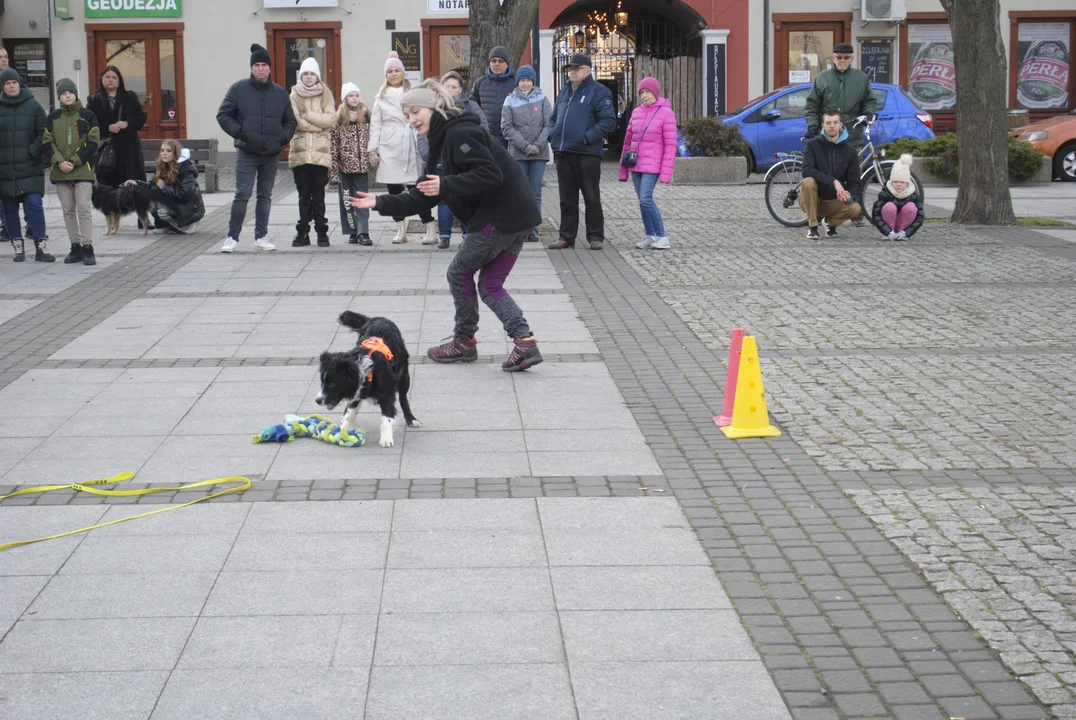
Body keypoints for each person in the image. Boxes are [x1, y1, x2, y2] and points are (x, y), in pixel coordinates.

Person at [349, 80, 543, 372]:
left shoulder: (460, 132)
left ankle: (464, 341)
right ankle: (525, 343)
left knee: (458, 272)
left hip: (500, 216)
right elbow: (422, 196)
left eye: (416, 111)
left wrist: (447, 183)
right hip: (517, 217)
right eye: (407, 114)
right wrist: (379, 203)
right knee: (490, 285)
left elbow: (490, 173)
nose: (412, 119)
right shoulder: (440, 145)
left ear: (433, 107)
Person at [216, 43, 297, 253]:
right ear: (252, 68)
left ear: (270, 68)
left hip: (270, 153)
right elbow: (223, 115)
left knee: (265, 195)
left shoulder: (280, 93)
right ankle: (232, 237)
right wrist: (240, 131)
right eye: (257, 65)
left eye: (264, 65)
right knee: (242, 194)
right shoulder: (238, 89)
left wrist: (283, 138)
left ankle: (261, 236)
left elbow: (290, 121)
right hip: (247, 151)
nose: (261, 69)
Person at [546, 54, 616, 251]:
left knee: (591, 196)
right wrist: (552, 134)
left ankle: (595, 236)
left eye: (576, 68)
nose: (572, 72)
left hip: (587, 154)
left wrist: (586, 137)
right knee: (566, 198)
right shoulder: (564, 91)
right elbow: (553, 117)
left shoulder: (598, 91)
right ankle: (566, 236)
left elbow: (609, 121)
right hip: (564, 151)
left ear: (588, 69)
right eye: (570, 69)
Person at [368, 51, 436, 245]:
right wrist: (372, 150)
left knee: (417, 186)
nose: (394, 74)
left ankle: (429, 226)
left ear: (403, 72)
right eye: (390, 71)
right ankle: (400, 227)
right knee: (394, 188)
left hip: (410, 139)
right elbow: (375, 124)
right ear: (386, 75)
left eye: (397, 70)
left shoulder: (414, 91)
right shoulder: (380, 97)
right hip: (389, 143)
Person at [43, 77, 100, 265]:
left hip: (83, 169)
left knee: (83, 208)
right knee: (68, 209)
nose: (67, 95)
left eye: (70, 92)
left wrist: (74, 161)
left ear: (75, 94)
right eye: (63, 93)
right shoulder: (53, 117)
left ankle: (87, 246)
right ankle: (74, 246)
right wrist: (59, 161)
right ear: (60, 96)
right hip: (61, 172)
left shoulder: (88, 115)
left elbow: (93, 142)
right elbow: (47, 142)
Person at [617, 76, 677, 250]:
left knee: (646, 198)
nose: (644, 95)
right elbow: (627, 141)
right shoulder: (636, 112)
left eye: (647, 92)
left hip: (653, 165)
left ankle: (662, 236)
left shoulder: (666, 113)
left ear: (655, 92)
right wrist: (623, 169)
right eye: (641, 92)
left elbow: (670, 145)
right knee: (642, 201)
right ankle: (650, 235)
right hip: (636, 164)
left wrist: (666, 172)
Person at [86, 65, 147, 226]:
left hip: (128, 148)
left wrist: (127, 123)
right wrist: (107, 127)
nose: (111, 80)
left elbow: (141, 118)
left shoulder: (130, 97)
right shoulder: (94, 99)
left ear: (119, 80)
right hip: (107, 150)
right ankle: (112, 220)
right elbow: (89, 123)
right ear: (102, 80)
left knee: (136, 184)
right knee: (108, 187)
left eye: (114, 77)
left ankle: (143, 219)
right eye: (107, 77)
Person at [0, 68, 50, 262]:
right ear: (3, 86)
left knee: (34, 205)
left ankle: (41, 247)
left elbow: (43, 133)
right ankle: (18, 247)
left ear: (19, 84)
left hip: (30, 167)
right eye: (7, 83)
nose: (11, 86)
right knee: (9, 209)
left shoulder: (34, 106)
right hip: (5, 169)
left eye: (14, 82)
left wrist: (32, 151)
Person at [435, 71, 487, 249]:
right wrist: (429, 154)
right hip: (443, 160)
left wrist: (474, 150)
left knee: (468, 196)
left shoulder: (471, 106)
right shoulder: (435, 107)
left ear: (460, 89)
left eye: (454, 87)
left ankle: (468, 235)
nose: (450, 90)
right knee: (444, 198)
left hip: (466, 160)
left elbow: (483, 127)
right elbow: (423, 135)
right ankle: (444, 235)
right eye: (447, 86)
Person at [288, 57, 336, 248]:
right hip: (300, 151)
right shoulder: (293, 95)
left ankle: (322, 233)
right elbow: (296, 121)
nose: (308, 77)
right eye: (305, 73)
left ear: (317, 76)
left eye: (312, 73)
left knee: (319, 195)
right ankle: (303, 233)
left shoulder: (326, 95)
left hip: (320, 153)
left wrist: (308, 116)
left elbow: (331, 120)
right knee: (303, 195)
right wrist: (318, 124)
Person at [501, 64, 551, 242]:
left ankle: (533, 229)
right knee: (520, 192)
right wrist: (524, 146)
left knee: (535, 193)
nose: (525, 83)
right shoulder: (510, 101)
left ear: (533, 82)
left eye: (528, 80)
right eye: (522, 80)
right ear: (517, 82)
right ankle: (519, 229)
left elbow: (549, 124)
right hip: (518, 153)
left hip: (539, 153)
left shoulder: (543, 98)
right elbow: (506, 127)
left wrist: (537, 145)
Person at [799, 110, 861, 240]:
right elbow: (806, 170)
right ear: (823, 125)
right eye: (828, 123)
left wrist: (849, 195)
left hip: (835, 201)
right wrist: (834, 181)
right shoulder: (812, 145)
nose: (832, 126)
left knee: (855, 208)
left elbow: (854, 181)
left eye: (835, 122)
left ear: (840, 125)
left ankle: (829, 223)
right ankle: (813, 227)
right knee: (808, 181)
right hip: (813, 199)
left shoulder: (850, 151)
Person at [124, 139, 205, 235]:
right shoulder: (163, 166)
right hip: (175, 204)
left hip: (188, 208)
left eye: (168, 151)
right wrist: (136, 183)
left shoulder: (185, 169)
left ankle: (184, 226)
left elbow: (184, 194)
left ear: (175, 153)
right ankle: (165, 225)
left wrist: (164, 187)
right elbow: (152, 184)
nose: (164, 153)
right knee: (148, 197)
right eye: (162, 150)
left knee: (160, 207)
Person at [804, 43, 877, 146]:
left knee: (854, 162)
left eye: (846, 57)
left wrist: (868, 112)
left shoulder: (861, 77)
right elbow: (811, 105)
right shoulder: (822, 78)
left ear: (851, 59)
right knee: (826, 162)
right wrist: (812, 126)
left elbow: (870, 100)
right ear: (834, 58)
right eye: (839, 57)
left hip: (853, 136)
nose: (842, 60)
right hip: (827, 136)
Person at [331, 82, 372, 246]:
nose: (354, 98)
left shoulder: (367, 115)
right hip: (344, 167)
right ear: (345, 98)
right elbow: (333, 144)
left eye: (356, 95)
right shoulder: (339, 118)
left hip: (361, 167)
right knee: (347, 200)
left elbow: (372, 138)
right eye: (350, 95)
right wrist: (333, 170)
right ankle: (352, 231)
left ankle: (364, 231)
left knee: (362, 200)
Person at [871, 154, 923, 241]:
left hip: (904, 227)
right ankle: (890, 233)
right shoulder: (885, 193)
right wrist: (887, 231)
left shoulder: (913, 195)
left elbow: (920, 217)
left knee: (911, 207)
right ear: (891, 182)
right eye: (895, 181)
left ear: (907, 183)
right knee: (889, 206)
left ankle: (902, 233)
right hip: (888, 227)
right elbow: (876, 214)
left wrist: (906, 232)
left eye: (902, 182)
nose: (898, 184)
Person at [471, 46, 516, 148]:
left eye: (500, 61)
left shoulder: (516, 83)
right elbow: (472, 108)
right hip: (485, 139)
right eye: (493, 61)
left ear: (507, 63)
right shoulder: (480, 83)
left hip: (509, 141)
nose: (496, 64)